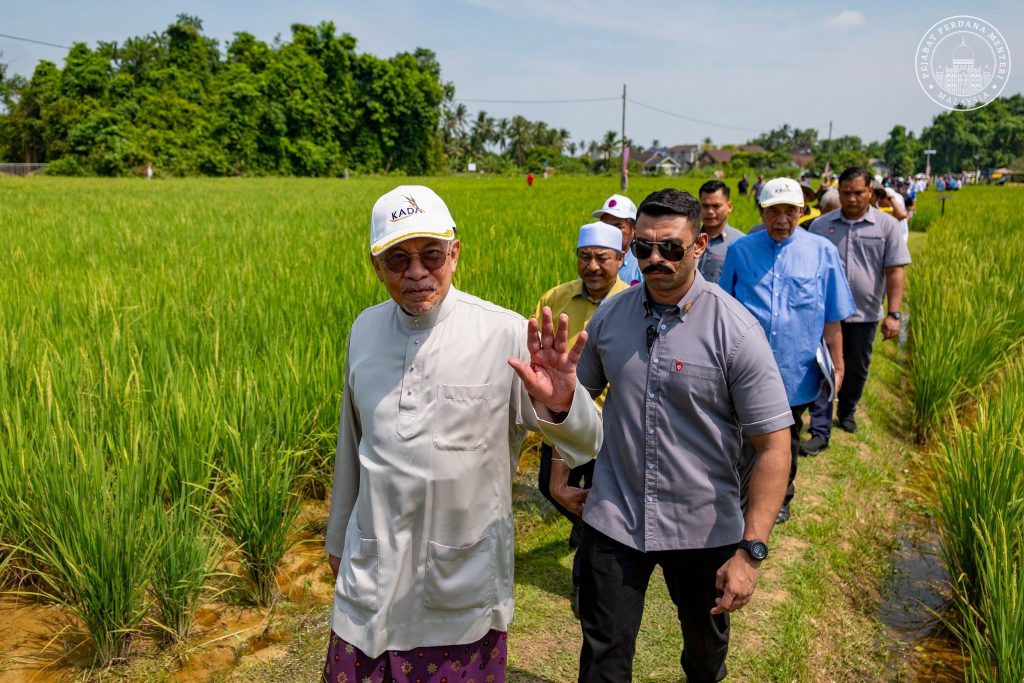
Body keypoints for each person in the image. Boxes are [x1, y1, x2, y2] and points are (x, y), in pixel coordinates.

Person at [323, 185, 603, 683]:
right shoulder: (363, 330)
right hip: (370, 583)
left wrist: (562, 401)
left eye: (431, 254)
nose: (416, 272)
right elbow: (353, 444)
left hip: (459, 587)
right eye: (397, 259)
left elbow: (587, 443)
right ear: (375, 266)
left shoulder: (505, 334)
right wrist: (339, 538)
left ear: (454, 252)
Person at [570, 188, 794, 682]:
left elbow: (774, 445)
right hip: (615, 516)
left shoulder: (735, 330)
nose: (656, 259)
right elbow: (576, 403)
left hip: (703, 525)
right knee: (603, 653)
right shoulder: (611, 316)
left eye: (671, 247)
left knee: (703, 653)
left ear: (699, 246)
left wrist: (751, 551)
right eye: (645, 248)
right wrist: (558, 474)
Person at [719, 178, 856, 517]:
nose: (782, 220)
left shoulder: (822, 252)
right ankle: (741, 498)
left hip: (797, 367)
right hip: (746, 365)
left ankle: (781, 497)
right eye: (773, 212)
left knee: (785, 437)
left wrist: (838, 366)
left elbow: (832, 317)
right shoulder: (741, 251)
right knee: (744, 435)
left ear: (801, 212)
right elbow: (724, 309)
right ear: (761, 213)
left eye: (790, 212)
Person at [533, 221, 629, 618]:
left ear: (621, 260)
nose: (592, 267)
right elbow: (537, 348)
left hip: (612, 424)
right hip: (563, 419)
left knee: (599, 504)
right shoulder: (557, 297)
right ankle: (586, 522)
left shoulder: (633, 302)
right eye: (585, 257)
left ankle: (585, 584)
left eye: (602, 259)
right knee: (549, 484)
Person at [805, 168, 911, 448]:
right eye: (846, 193)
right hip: (825, 314)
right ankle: (819, 427)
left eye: (858, 193)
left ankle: (848, 409)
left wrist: (894, 313)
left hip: (864, 313)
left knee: (857, 367)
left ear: (870, 192)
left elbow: (894, 271)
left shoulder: (886, 226)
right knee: (823, 366)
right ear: (838, 193)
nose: (851, 199)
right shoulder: (820, 226)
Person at [696, 180, 745, 284]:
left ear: (729, 207)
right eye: (705, 206)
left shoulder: (740, 242)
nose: (710, 211)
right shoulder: (689, 239)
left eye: (716, 206)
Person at [591, 194, 642, 286]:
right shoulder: (592, 263)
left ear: (634, 229)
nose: (610, 231)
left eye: (618, 226)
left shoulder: (642, 265)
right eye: (605, 226)